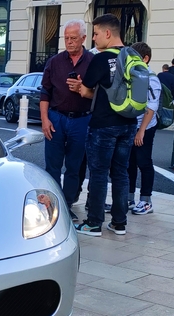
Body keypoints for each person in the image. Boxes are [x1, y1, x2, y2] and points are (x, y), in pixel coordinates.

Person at [75, 13, 137, 237]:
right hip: (129, 123)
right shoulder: (134, 55)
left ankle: (93, 223)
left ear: (108, 33)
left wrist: (80, 87)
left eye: (96, 33)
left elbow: (88, 88)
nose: (94, 38)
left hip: (103, 125)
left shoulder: (101, 59)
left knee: (99, 173)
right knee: (121, 173)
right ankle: (119, 223)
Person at [40, 19, 94, 223]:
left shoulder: (92, 61)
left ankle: (67, 203)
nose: (69, 42)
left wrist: (83, 89)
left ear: (83, 38)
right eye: (66, 38)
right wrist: (45, 119)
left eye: (73, 38)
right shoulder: (54, 62)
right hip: (56, 117)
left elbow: (99, 94)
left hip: (81, 119)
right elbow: (45, 92)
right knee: (52, 165)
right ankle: (53, 204)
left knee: (75, 166)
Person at [127, 42, 160, 216]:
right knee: (129, 162)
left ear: (145, 59)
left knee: (143, 162)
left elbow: (151, 107)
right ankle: (129, 197)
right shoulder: (131, 75)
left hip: (146, 126)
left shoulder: (151, 78)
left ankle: (146, 200)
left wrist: (141, 131)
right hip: (132, 124)